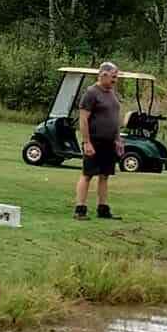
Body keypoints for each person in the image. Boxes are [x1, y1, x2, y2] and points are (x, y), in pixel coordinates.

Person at [74, 62, 123, 220]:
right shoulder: (91, 93)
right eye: (113, 77)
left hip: (109, 142)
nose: (115, 80)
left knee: (105, 175)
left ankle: (103, 209)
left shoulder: (112, 93)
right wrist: (87, 142)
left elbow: (114, 119)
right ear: (103, 75)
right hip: (94, 141)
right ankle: (80, 209)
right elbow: (83, 119)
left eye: (116, 77)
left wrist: (118, 139)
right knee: (87, 174)